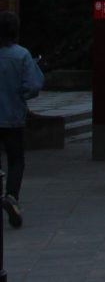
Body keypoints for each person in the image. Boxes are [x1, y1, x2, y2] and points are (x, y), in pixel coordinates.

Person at [0, 11, 44, 228]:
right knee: (16, 159)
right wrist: (22, 94)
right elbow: (34, 85)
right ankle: (11, 196)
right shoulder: (21, 54)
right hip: (13, 115)